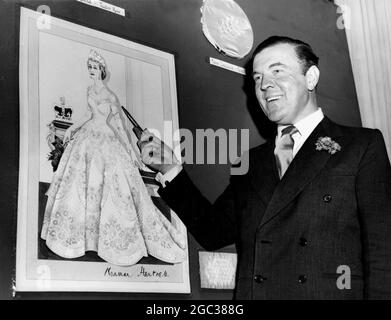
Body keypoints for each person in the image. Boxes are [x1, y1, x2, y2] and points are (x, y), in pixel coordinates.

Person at [138, 36, 391, 299]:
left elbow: (383, 251)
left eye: (277, 71)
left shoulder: (360, 146)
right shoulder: (249, 163)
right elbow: (212, 231)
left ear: (311, 77)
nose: (265, 85)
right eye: (257, 79)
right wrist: (169, 167)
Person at [41, 49, 186, 266]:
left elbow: (119, 125)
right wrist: (73, 127)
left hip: (108, 139)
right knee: (82, 183)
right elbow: (88, 115)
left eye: (94, 67)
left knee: (111, 186)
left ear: (101, 70)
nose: (91, 71)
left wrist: (130, 150)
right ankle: (83, 238)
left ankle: (111, 241)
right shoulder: (89, 89)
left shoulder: (110, 96)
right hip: (89, 135)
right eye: (89, 67)